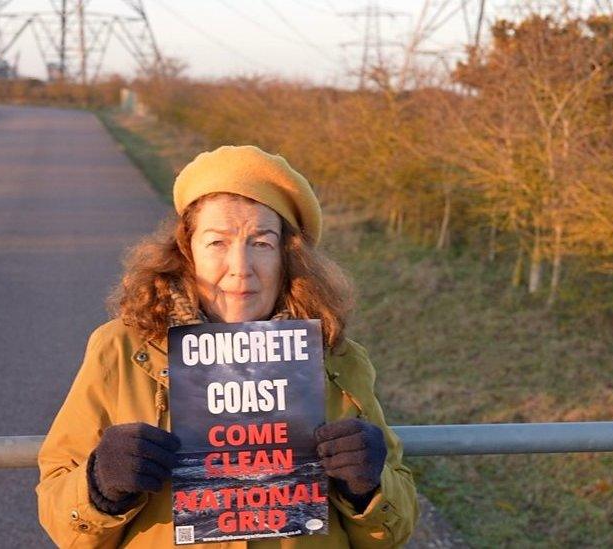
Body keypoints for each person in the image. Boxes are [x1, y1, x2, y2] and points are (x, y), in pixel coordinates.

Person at [36, 145, 419, 548]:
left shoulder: (338, 358)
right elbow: (62, 518)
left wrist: (368, 488)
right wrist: (100, 485)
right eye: (217, 243)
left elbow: (392, 531)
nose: (240, 267)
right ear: (187, 251)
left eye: (261, 243)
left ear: (289, 257)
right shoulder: (120, 348)